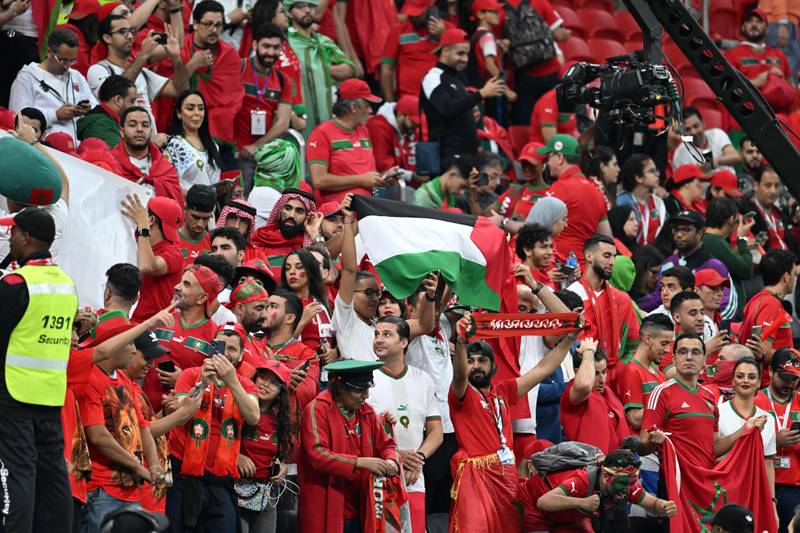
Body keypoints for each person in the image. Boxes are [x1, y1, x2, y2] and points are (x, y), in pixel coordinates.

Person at [447, 313, 573, 532]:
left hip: (506, 476)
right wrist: (460, 343)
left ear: (494, 367)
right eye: (470, 361)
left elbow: (543, 368)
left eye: (482, 361)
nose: (475, 366)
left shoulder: (503, 391)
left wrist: (569, 339)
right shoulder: (462, 393)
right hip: (475, 479)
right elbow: (459, 375)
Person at [0, 208, 78, 532]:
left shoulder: (16, 283)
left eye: (14, 232)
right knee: (54, 480)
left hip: (14, 395)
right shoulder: (66, 284)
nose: (9, 237)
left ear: (27, 238)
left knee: (19, 476)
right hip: (49, 396)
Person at [166, 324, 260, 533]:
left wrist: (231, 380)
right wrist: (203, 382)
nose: (225, 353)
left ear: (241, 355)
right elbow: (181, 417)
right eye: (220, 346)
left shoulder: (245, 384)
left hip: (220, 482)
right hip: (184, 477)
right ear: (211, 348)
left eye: (232, 349)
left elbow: (253, 416)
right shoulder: (190, 375)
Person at [78, 313, 165, 532]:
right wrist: (138, 466)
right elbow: (98, 436)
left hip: (130, 489)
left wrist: (153, 464)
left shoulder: (124, 379)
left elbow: (142, 426)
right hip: (102, 490)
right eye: (131, 344)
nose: (135, 351)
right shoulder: (91, 378)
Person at [297, 359, 400, 533]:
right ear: (340, 386)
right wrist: (360, 462)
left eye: (367, 389)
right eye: (359, 390)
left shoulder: (366, 412)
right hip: (326, 505)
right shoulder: (317, 410)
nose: (365, 395)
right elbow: (318, 454)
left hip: (362, 506)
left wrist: (391, 461)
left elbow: (388, 446)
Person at [367, 316, 443, 533]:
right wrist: (396, 455)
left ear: (404, 342)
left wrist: (418, 458)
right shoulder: (365, 378)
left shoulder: (424, 379)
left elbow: (436, 432)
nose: (379, 340)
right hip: (379, 475)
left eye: (386, 334)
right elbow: (362, 431)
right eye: (376, 334)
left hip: (413, 476)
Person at [521, 448, 677, 533]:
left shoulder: (626, 483)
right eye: (623, 482)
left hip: (569, 517)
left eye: (632, 482)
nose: (628, 489)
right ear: (604, 475)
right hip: (535, 507)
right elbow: (543, 502)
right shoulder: (583, 479)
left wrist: (664, 506)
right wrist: (582, 502)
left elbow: (651, 503)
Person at [87, 14, 189, 131]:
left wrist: (176, 57)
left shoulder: (142, 72)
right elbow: (116, 92)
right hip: (122, 143)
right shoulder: (98, 70)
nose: (130, 36)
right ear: (107, 38)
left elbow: (180, 90)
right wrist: (144, 54)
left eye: (131, 31)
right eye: (123, 32)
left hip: (150, 143)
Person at [420, 27, 505, 164]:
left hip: (467, 154)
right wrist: (481, 94)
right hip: (447, 156)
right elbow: (446, 108)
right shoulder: (433, 77)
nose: (465, 59)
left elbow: (460, 107)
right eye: (460, 53)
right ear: (446, 51)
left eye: (467, 54)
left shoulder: (458, 78)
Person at [143, 264, 222, 410]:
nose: (176, 287)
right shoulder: (161, 320)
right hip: (145, 411)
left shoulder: (215, 335)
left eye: (186, 284)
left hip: (183, 421)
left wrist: (184, 380)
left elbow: (217, 385)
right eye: (180, 281)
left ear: (202, 298)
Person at [568, 235, 640, 379]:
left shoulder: (622, 299)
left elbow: (635, 343)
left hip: (616, 377)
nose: (612, 262)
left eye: (614, 256)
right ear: (589, 256)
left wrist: (619, 371)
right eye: (607, 256)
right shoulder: (573, 294)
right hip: (581, 374)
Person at [9, 28, 97, 143]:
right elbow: (18, 118)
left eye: (72, 61)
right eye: (63, 60)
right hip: (41, 144)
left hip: (75, 148)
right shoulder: (27, 76)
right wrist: (55, 115)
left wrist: (86, 108)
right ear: (49, 52)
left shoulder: (76, 76)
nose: (68, 66)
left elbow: (94, 106)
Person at [235, 360, 293, 533]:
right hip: (234, 489)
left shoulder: (281, 420)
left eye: (273, 382)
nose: (265, 384)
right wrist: (236, 456)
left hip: (266, 494)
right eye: (262, 377)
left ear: (281, 392)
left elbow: (281, 455)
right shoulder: (238, 408)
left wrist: (283, 468)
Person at [178, 0, 244, 148]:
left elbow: (232, 98)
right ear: (195, 24)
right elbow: (172, 88)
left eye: (219, 25)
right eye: (208, 24)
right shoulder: (181, 49)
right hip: (182, 130)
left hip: (219, 133)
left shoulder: (229, 55)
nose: (214, 30)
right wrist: (193, 64)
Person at [307, 79, 384, 205]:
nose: (371, 110)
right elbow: (319, 180)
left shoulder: (364, 131)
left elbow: (368, 175)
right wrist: (361, 180)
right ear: (353, 107)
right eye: (367, 105)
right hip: (340, 211)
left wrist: (384, 178)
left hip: (369, 205)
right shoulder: (321, 133)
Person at [538, 135, 612, 267]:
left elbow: (534, 227)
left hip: (560, 269)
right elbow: (607, 238)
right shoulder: (596, 191)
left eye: (549, 157)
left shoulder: (559, 189)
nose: (547, 163)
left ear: (560, 158)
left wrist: (505, 222)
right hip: (585, 272)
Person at [285, 0, 355, 136]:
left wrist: (322, 68)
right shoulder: (285, 41)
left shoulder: (323, 42)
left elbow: (350, 69)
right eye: (300, 6)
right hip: (297, 120)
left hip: (325, 119)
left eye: (310, 6)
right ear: (289, 12)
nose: (307, 10)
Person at [717, 357, 776, 506]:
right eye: (740, 376)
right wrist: (745, 430)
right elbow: (713, 451)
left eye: (751, 377)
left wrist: (772, 503)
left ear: (758, 382)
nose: (745, 380)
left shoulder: (768, 418)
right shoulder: (718, 412)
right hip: (724, 489)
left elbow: (768, 463)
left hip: (755, 491)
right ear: (732, 381)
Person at [234, 22, 291, 171]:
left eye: (276, 47)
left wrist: (257, 146)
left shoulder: (282, 80)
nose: (271, 52)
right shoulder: (238, 68)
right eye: (266, 46)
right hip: (234, 152)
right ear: (254, 44)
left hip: (265, 154)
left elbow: (283, 122)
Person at [754, 349, 800, 533]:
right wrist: (774, 441)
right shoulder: (756, 401)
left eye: (794, 378)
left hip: (795, 489)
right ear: (770, 372)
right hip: (763, 486)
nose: (789, 383)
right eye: (784, 377)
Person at [120, 194, 184, 323]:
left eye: (143, 212)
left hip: (149, 328)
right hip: (125, 321)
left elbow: (147, 266)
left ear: (151, 220)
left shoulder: (174, 253)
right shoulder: (136, 240)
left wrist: (143, 225)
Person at [662, 210, 736, 320]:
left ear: (700, 233)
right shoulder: (669, 263)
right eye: (676, 229)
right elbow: (656, 296)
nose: (679, 234)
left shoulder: (715, 265)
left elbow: (728, 304)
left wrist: (708, 324)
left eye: (686, 230)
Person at [561, 339, 631, 453]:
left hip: (618, 465)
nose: (602, 380)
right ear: (577, 371)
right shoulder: (575, 394)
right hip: (589, 467)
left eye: (604, 372)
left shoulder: (607, 393)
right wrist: (588, 352)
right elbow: (583, 385)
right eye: (595, 373)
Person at [740, 249, 798, 385]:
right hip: (769, 385)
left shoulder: (755, 300)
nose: (796, 279)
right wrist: (795, 358)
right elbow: (763, 352)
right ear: (786, 277)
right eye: (794, 274)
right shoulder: (771, 304)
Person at [380, 0, 449, 102]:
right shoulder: (398, 31)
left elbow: (460, 62)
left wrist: (444, 36)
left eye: (418, 13)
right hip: (408, 99)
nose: (414, 17)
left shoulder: (447, 29)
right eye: (411, 13)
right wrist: (389, 104)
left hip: (441, 97)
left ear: (429, 9)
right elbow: (386, 68)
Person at [727, 8, 794, 112]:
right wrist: (755, 83)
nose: (753, 24)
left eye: (759, 22)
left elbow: (793, 91)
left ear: (767, 29)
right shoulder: (732, 55)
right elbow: (728, 92)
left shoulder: (779, 54)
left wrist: (782, 81)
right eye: (749, 21)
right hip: (748, 116)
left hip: (780, 118)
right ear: (743, 27)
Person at [112, 106, 183, 203]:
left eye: (145, 125)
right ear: (122, 131)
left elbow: (177, 207)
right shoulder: (111, 164)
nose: (140, 129)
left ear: (151, 130)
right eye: (132, 125)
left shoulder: (166, 169)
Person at [616, 314, 673, 431]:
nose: (667, 350)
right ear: (648, 339)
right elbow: (634, 419)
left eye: (669, 344)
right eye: (664, 343)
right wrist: (668, 404)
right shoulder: (632, 371)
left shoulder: (659, 374)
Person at [703, 197, 754, 315]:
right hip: (727, 314)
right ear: (732, 219)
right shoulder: (713, 241)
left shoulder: (710, 240)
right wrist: (741, 238)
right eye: (737, 222)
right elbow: (746, 270)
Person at [164, 90, 224, 189]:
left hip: (214, 203)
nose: (197, 113)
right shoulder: (174, 146)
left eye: (201, 109)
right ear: (179, 113)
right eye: (190, 108)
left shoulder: (213, 145)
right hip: (187, 204)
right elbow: (168, 184)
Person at [280, 248, 332, 353]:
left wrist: (334, 352)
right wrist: (302, 322)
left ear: (311, 272)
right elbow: (277, 347)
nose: (292, 272)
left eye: (299, 267)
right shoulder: (280, 303)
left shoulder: (323, 303)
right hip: (295, 365)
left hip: (324, 366)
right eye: (287, 268)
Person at [250, 188, 317, 270]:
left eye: (299, 211)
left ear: (307, 217)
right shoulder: (261, 238)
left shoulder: (308, 246)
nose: (291, 215)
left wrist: (314, 235)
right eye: (288, 208)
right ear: (279, 211)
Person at [616, 154, 666, 246]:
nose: (657, 175)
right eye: (652, 171)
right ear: (638, 178)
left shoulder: (658, 202)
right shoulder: (622, 202)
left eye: (656, 171)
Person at [671, 106, 741, 171]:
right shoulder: (680, 154)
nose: (693, 132)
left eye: (696, 126)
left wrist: (717, 161)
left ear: (703, 123)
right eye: (688, 129)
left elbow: (736, 157)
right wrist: (698, 169)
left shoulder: (717, 134)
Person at [366, 95, 420, 180]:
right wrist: (412, 176)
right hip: (377, 181)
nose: (416, 127)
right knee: (378, 190)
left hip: (396, 182)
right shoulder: (378, 127)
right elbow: (381, 167)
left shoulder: (407, 128)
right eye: (413, 122)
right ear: (400, 114)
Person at [740, 166, 793, 252]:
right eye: (768, 185)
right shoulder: (747, 212)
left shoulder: (779, 212)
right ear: (756, 186)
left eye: (776, 186)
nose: (773, 191)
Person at [77, 74, 137, 147]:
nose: (135, 106)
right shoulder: (100, 124)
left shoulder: (111, 122)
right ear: (118, 100)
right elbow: (120, 155)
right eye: (132, 101)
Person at [493, 142, 548, 221]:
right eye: (524, 163)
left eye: (531, 164)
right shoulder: (514, 189)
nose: (527, 168)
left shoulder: (549, 194)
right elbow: (486, 215)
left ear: (544, 165)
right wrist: (473, 193)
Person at [178, 184, 215, 268]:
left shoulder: (214, 243)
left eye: (206, 218)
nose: (200, 224)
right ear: (184, 208)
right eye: (195, 217)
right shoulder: (170, 241)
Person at [516, 223, 558, 289]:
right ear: (527, 250)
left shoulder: (546, 276)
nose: (550, 252)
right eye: (544, 247)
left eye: (551, 246)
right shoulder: (519, 282)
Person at [695, 268, 728, 340]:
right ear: (696, 291)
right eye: (714, 288)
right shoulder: (687, 325)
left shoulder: (723, 323)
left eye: (722, 289)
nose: (720, 294)